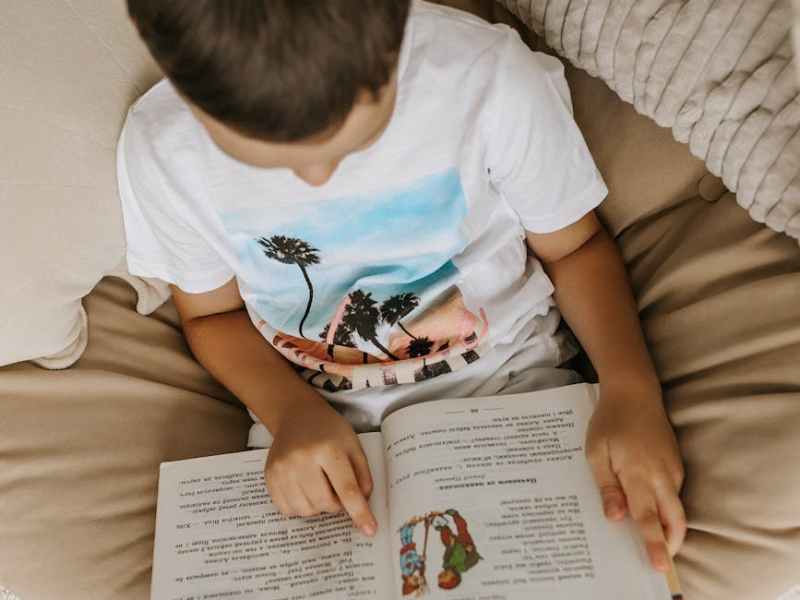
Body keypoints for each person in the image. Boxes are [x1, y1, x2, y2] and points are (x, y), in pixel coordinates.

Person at [120, 0, 685, 572]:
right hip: (311, 424)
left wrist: (630, 389)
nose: (317, 178)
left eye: (348, 141)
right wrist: (289, 413)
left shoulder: (486, 79)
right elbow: (212, 317)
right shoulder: (164, 145)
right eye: (269, 158)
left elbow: (576, 247)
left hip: (510, 387)